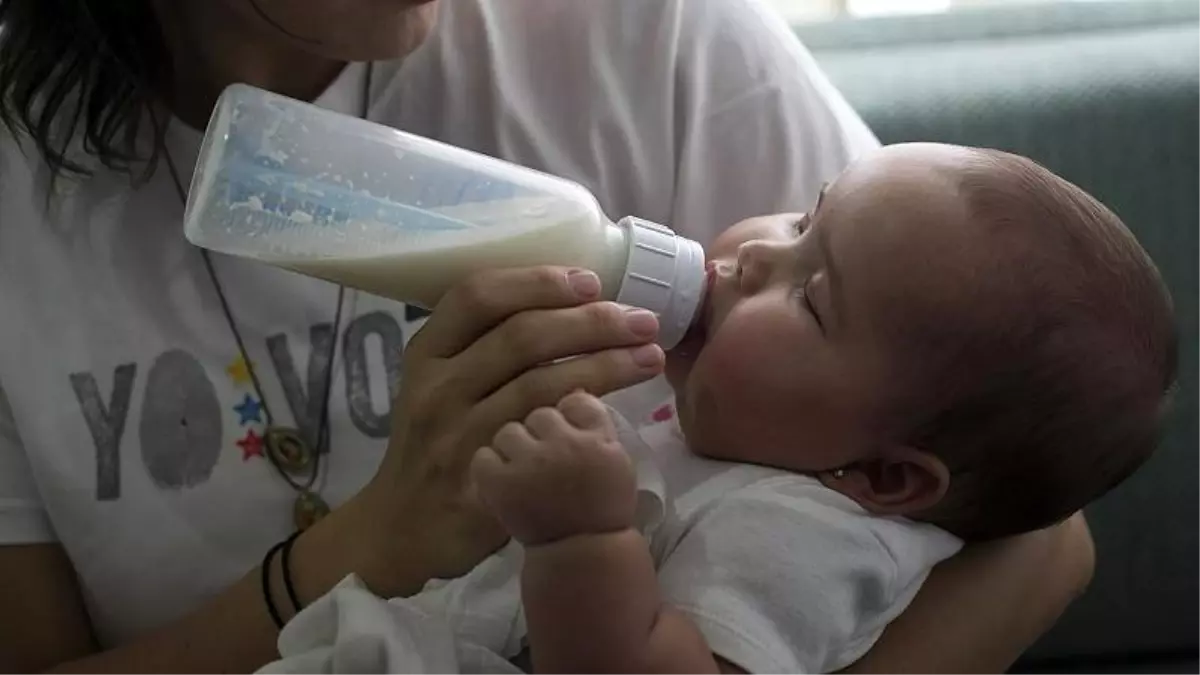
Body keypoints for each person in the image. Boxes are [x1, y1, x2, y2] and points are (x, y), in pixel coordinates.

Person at [0, 0, 1095, 674]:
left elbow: (1030, 528)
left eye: (808, 273)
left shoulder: (649, 30)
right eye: (798, 222)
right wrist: (364, 550)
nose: (756, 254)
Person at [253, 143, 1175, 675]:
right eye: (804, 219)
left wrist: (581, 537)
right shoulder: (744, 422)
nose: (758, 256)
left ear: (888, 475)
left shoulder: (807, 535)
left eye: (813, 299)